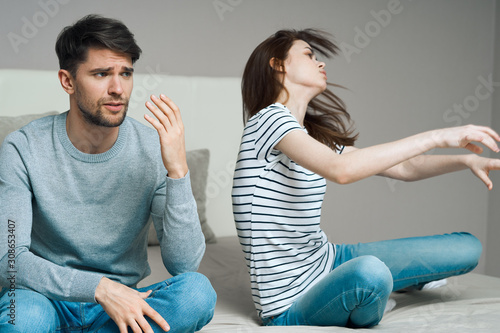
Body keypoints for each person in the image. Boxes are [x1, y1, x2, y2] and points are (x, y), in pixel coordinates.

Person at [231, 28, 500, 328]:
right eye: (309, 55)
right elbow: (341, 170)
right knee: (370, 274)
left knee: (466, 249)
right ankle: (379, 290)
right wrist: (439, 136)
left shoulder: (312, 136)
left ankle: (387, 287)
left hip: (330, 260)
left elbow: (404, 168)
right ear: (277, 64)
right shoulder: (268, 119)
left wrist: (465, 159)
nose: (321, 63)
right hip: (290, 303)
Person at [0, 15, 215, 333]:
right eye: (101, 74)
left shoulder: (151, 150)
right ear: (67, 81)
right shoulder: (22, 147)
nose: (118, 88)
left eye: (125, 74)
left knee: (197, 293)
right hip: (43, 298)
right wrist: (99, 288)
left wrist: (178, 171)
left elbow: (183, 265)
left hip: (124, 304)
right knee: (23, 319)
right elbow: (10, 261)